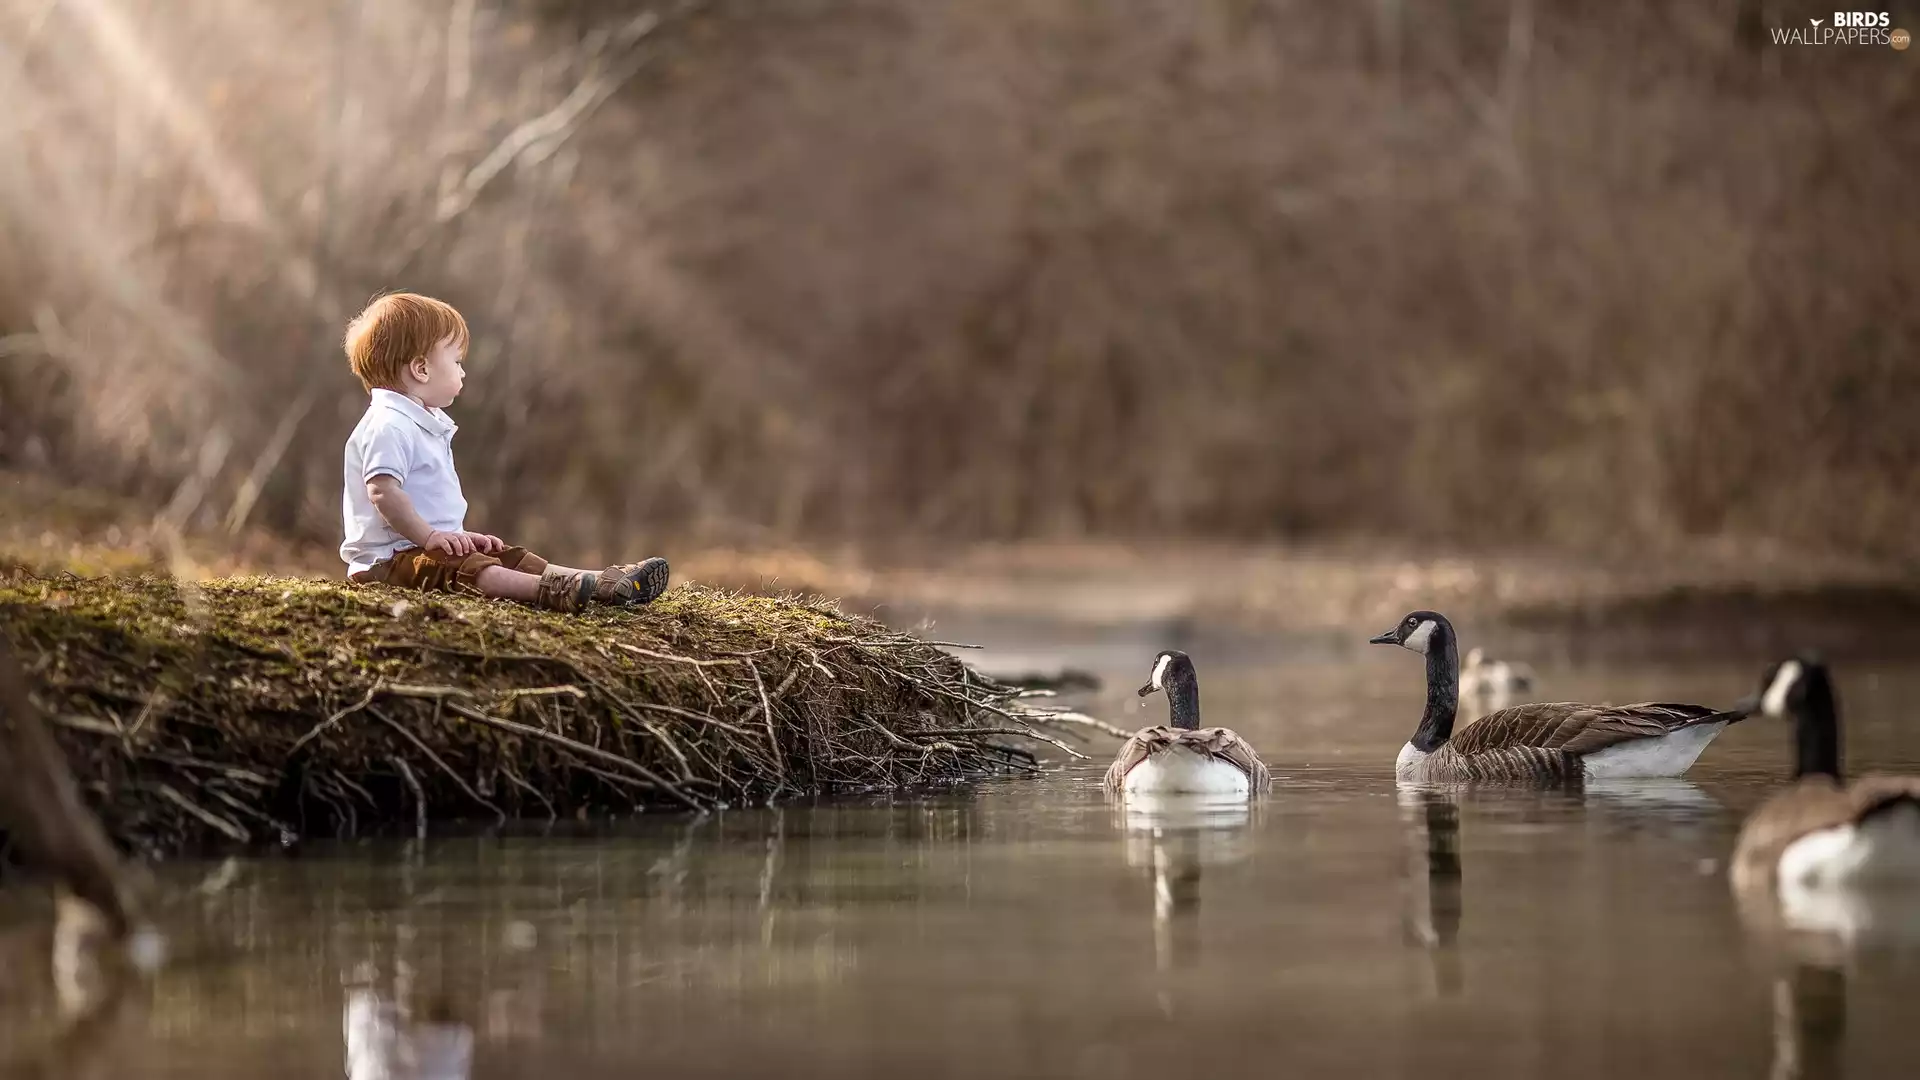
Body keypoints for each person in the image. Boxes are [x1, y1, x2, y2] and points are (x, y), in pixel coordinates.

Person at [339, 293, 667, 612]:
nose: (462, 371)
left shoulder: (420, 423)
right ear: (421, 369)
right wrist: (431, 537)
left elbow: (426, 503)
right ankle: (546, 591)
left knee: (508, 556)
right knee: (472, 570)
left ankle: (601, 583)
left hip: (424, 547)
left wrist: (456, 535)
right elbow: (382, 491)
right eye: (456, 361)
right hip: (388, 562)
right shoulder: (389, 424)